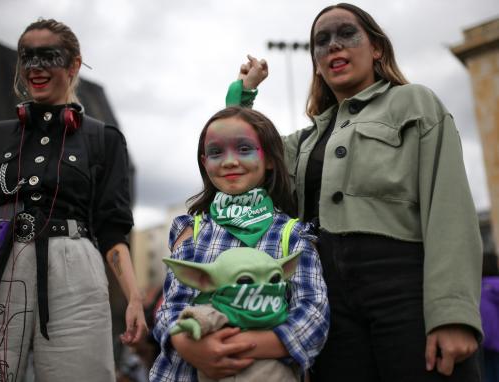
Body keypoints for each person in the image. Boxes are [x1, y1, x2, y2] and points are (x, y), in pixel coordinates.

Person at [227, 3, 483, 381]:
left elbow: (449, 208)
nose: (333, 46)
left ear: (376, 48)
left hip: (404, 288)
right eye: (321, 41)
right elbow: (238, 155)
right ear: (315, 62)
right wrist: (243, 94)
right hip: (327, 297)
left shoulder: (415, 103)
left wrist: (453, 313)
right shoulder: (306, 140)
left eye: (347, 34)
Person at [0, 18, 147, 382]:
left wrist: (134, 298)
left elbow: (112, 231)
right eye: (27, 57)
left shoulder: (104, 139)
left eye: (48, 57)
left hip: (76, 265)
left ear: (74, 64)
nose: (35, 68)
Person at [149, 107, 329, 381]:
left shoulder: (292, 234)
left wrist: (235, 348)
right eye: (216, 153)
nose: (229, 162)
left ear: (268, 159)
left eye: (244, 149)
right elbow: (170, 309)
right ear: (204, 162)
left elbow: (313, 314)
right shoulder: (191, 231)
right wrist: (189, 345)